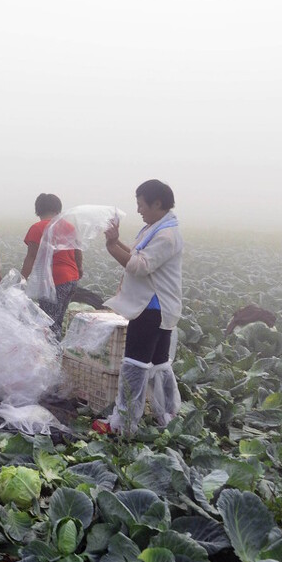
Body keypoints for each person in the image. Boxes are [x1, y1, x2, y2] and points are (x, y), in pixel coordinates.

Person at [98, 179, 184, 435]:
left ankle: (123, 425)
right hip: (158, 309)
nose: (138, 210)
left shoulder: (166, 236)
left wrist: (112, 246)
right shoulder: (155, 228)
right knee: (159, 364)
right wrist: (117, 241)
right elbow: (137, 255)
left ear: (157, 203)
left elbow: (139, 266)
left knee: (135, 366)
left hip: (151, 309)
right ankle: (167, 415)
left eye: (141, 204)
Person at [20, 193, 83, 337]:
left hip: (53, 282)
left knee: (48, 324)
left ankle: (51, 356)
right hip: (71, 279)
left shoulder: (37, 228)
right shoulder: (69, 227)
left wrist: (22, 279)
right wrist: (79, 270)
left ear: (38, 210)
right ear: (58, 209)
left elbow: (31, 257)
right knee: (57, 320)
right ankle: (56, 352)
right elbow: (78, 251)